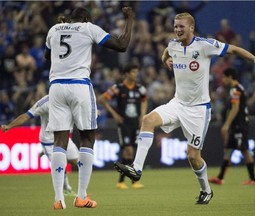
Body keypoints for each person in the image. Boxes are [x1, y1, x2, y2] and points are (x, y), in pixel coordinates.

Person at [114, 12, 255, 205]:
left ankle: (206, 190)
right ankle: (137, 169)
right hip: (177, 103)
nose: (177, 29)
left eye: (181, 26)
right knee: (147, 120)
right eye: (175, 26)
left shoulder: (205, 45)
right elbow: (166, 52)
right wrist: (166, 61)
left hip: (198, 110)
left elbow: (235, 50)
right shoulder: (173, 45)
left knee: (193, 157)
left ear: (191, 27)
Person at [44, 7, 134, 209]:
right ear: (85, 19)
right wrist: (129, 20)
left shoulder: (54, 29)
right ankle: (81, 196)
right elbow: (121, 45)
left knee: (59, 141)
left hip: (56, 87)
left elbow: (47, 57)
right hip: (79, 85)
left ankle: (58, 199)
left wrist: (61, 28)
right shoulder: (88, 27)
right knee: (86, 138)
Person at [0, 95, 79, 196]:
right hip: (49, 141)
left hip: (64, 136)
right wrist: (9, 126)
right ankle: (66, 189)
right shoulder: (45, 102)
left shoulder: (72, 99)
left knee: (76, 162)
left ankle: (44, 152)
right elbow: (26, 116)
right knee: (61, 164)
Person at [98, 63, 147, 190]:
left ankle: (123, 181)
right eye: (133, 72)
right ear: (126, 74)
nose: (135, 74)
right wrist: (114, 114)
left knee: (131, 153)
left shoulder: (140, 88)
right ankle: (130, 181)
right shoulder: (118, 88)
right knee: (128, 150)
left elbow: (145, 99)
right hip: (124, 123)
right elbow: (102, 99)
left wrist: (142, 115)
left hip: (135, 123)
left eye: (136, 72)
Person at [208, 68, 255, 186]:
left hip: (239, 125)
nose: (223, 80)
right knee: (228, 149)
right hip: (238, 125)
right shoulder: (240, 88)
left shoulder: (235, 90)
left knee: (245, 150)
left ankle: (253, 179)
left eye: (224, 77)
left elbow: (235, 108)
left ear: (230, 77)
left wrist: (226, 125)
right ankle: (220, 177)